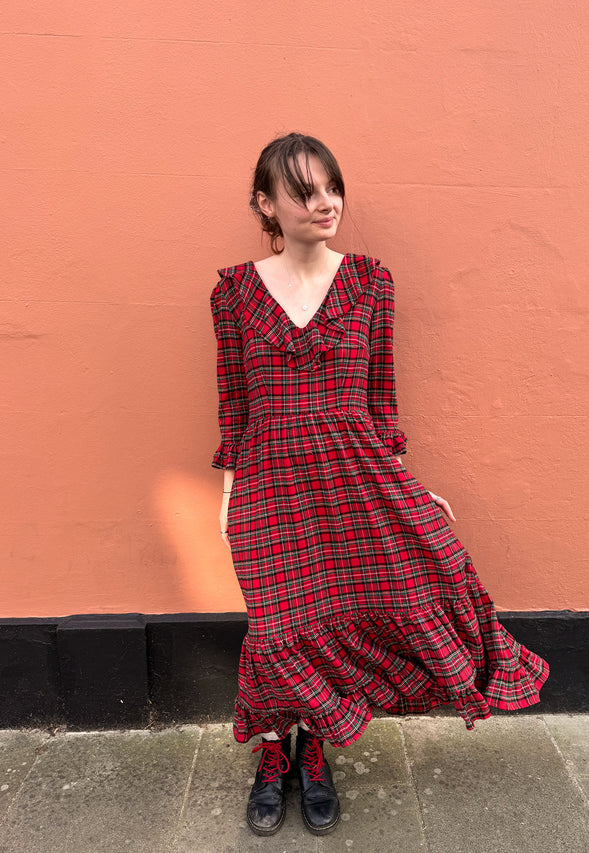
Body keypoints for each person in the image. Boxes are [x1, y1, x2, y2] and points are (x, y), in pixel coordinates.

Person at [209, 132, 550, 837]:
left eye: (332, 186)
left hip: (354, 475)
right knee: (277, 629)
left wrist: (402, 478)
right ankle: (276, 752)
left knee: (401, 589)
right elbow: (235, 404)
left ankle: (317, 748)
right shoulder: (234, 293)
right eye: (304, 191)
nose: (324, 202)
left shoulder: (370, 282)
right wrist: (229, 491)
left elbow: (379, 398)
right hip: (271, 483)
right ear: (265, 203)